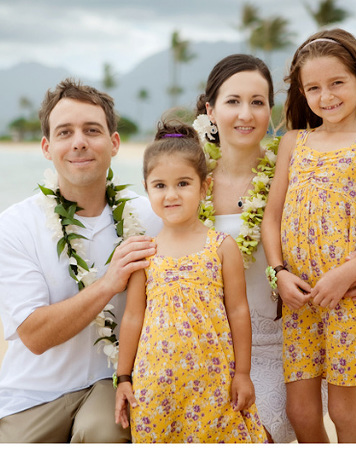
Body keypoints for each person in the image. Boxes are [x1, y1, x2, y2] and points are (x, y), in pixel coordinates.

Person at [192, 54, 356, 442]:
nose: (246, 114)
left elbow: (338, 218)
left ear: (270, 110)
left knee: (256, 431)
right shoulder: (185, 182)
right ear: (211, 110)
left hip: (290, 339)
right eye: (233, 102)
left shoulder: (295, 161)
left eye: (258, 102)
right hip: (214, 348)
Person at [0, 78, 161, 443]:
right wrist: (110, 282)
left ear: (114, 143)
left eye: (91, 130)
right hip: (33, 393)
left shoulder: (151, 218)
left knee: (104, 436)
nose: (79, 141)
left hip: (112, 382)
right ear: (47, 147)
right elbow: (34, 334)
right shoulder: (13, 227)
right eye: (65, 132)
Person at [261, 28, 356, 443]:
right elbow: (271, 217)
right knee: (301, 411)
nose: (326, 96)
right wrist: (278, 272)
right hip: (300, 296)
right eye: (314, 88)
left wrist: (349, 274)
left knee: (343, 410)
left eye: (337, 83)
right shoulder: (294, 142)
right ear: (303, 93)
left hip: (344, 296)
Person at [114, 121, 267, 443]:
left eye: (183, 183)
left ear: (205, 186)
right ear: (147, 188)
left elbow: (238, 311)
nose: (171, 195)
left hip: (214, 382)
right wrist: (124, 377)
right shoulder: (146, 251)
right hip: (155, 386)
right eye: (160, 186)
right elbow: (132, 316)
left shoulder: (222, 246)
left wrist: (242, 374)